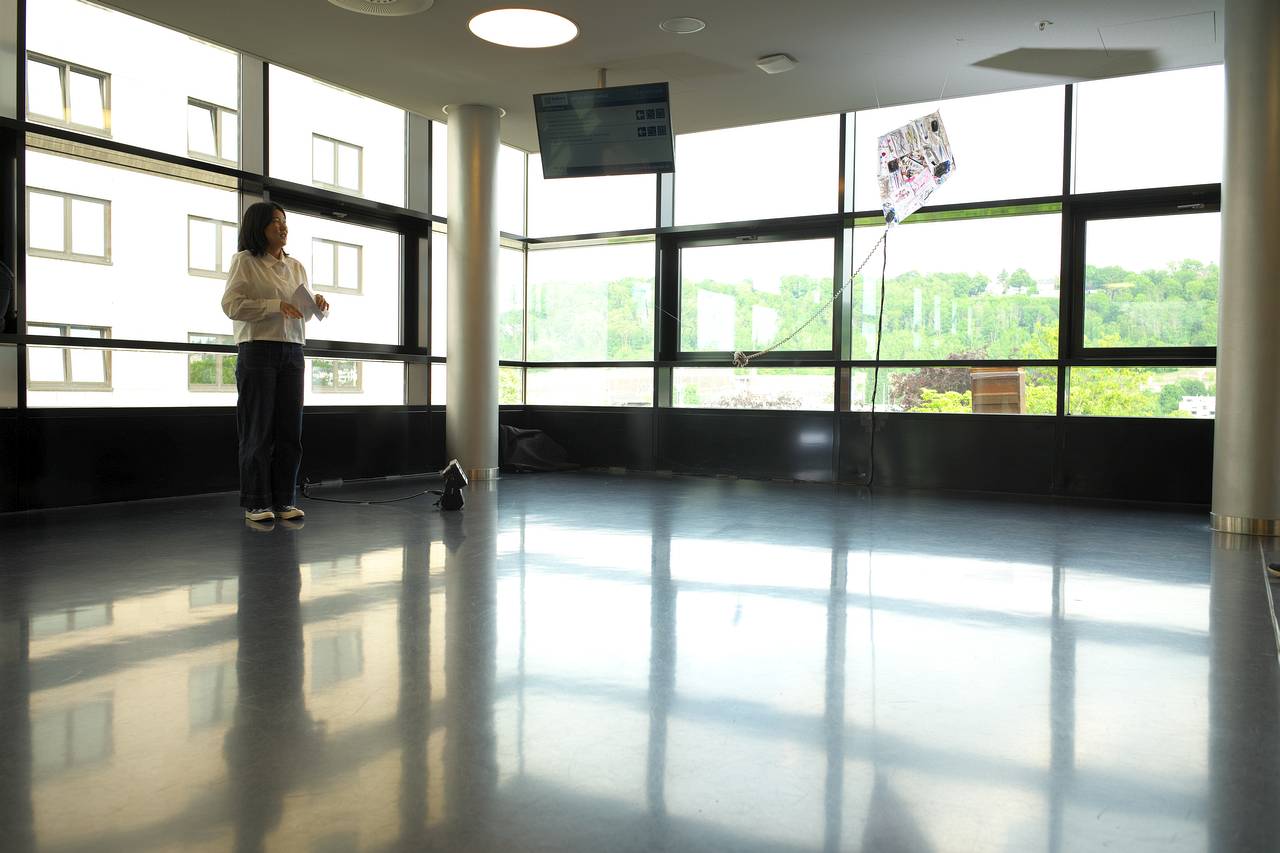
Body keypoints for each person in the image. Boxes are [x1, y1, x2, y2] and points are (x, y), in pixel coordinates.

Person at [221, 202, 329, 523]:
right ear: (258, 227)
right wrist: (275, 305)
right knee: (257, 430)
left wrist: (316, 303)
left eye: (284, 221)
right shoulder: (245, 261)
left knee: (289, 431)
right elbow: (231, 305)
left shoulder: (296, 266)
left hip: (293, 351)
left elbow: (301, 311)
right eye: (275, 222)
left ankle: (284, 500)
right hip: (258, 350)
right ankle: (256, 502)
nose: (283, 227)